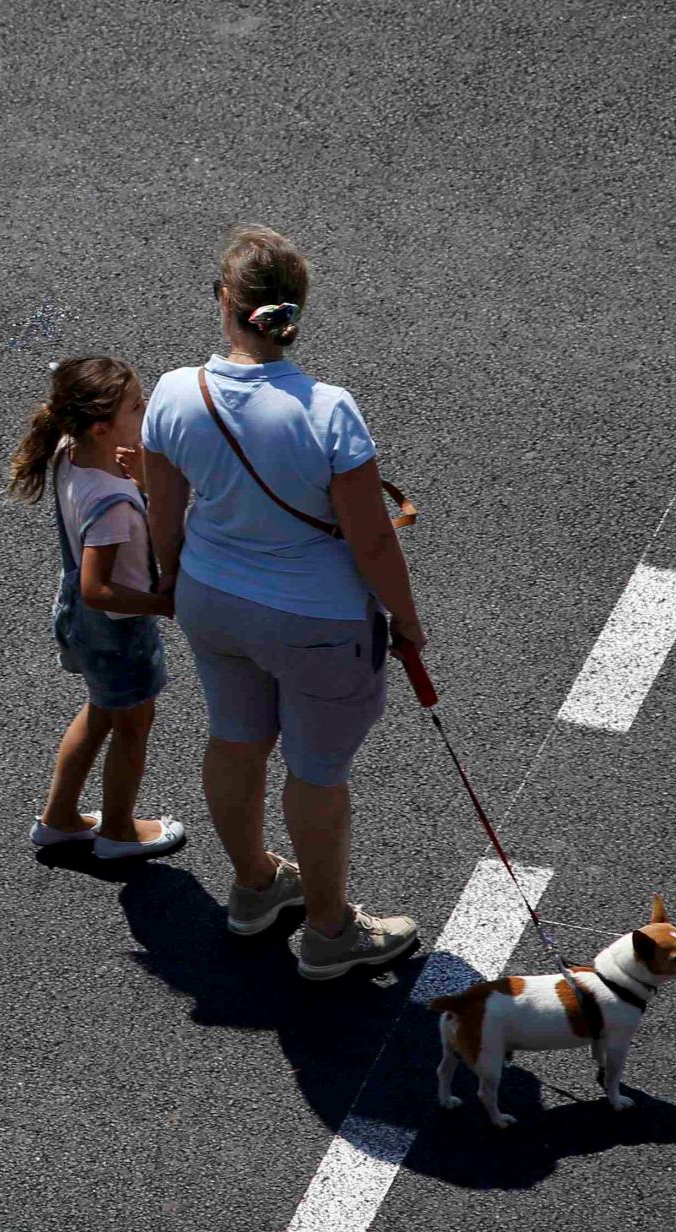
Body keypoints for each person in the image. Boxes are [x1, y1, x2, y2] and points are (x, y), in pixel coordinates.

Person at [141, 225, 428, 979]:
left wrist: (174, 582)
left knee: (235, 739)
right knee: (316, 771)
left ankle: (255, 886)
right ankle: (330, 932)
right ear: (295, 311)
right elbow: (372, 543)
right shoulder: (329, 410)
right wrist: (406, 619)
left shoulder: (173, 392)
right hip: (319, 623)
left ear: (225, 302)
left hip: (211, 600)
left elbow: (163, 518)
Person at [9, 357, 187, 860]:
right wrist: (164, 603)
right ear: (101, 427)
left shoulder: (70, 451)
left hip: (81, 625)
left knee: (101, 712)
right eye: (136, 406)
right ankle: (119, 833)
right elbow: (98, 588)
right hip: (119, 633)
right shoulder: (111, 503)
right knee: (133, 728)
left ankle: (60, 819)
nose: (146, 410)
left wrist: (141, 480)